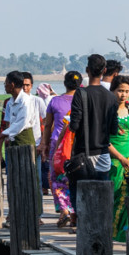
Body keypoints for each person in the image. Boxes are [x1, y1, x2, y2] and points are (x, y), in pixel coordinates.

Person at [67, 55, 119, 211]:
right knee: (101, 202)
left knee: (82, 202)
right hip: (103, 156)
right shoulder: (111, 96)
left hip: (82, 156)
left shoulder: (80, 94)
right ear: (104, 71)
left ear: (87, 70)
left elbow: (74, 125)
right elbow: (114, 129)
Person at [38, 71, 80, 227]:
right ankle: (75, 212)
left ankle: (64, 210)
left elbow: (48, 125)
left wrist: (44, 144)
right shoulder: (84, 101)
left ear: (65, 83)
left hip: (59, 145)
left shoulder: (55, 101)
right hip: (78, 144)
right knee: (76, 177)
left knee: (58, 178)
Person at [108, 76, 129, 241]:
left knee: (127, 197)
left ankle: (122, 235)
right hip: (114, 159)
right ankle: (111, 233)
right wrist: (120, 158)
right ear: (113, 91)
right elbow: (104, 141)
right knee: (114, 196)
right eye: (120, 91)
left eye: (126, 91)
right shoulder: (107, 111)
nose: (123, 95)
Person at [0, 71, 42, 147]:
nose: (5, 86)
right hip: (13, 139)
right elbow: (8, 123)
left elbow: (22, 122)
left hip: (25, 139)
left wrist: (2, 135)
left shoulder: (25, 101)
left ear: (12, 85)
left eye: (6, 83)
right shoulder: (9, 102)